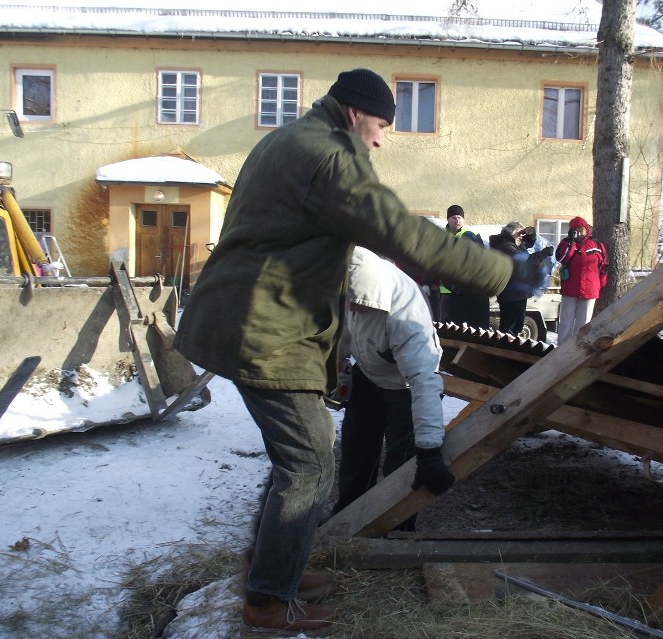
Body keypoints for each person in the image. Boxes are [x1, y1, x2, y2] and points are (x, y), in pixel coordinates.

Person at [173, 68, 543, 635]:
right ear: (353, 114)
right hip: (266, 328)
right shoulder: (328, 156)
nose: (380, 140)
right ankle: (269, 599)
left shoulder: (288, 139)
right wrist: (502, 272)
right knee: (311, 466)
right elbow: (400, 230)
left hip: (254, 317)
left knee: (297, 462)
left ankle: (269, 570)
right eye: (380, 126)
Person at [329, 247, 454, 533]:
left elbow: (425, 383)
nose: (353, 308)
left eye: (359, 304)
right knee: (356, 451)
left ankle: (398, 526)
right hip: (369, 374)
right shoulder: (354, 287)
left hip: (405, 386)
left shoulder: (406, 318)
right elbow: (345, 335)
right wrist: (338, 366)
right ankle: (348, 518)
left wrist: (429, 451)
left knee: (402, 463)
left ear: (375, 297)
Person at [489, 222, 555, 337]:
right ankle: (504, 352)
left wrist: (531, 233)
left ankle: (507, 350)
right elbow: (525, 260)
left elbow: (527, 244)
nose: (521, 237)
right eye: (519, 233)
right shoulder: (506, 246)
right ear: (511, 233)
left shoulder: (512, 243)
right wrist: (543, 253)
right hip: (511, 293)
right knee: (508, 330)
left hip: (517, 293)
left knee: (515, 329)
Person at [554, 216, 608, 344]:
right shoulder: (565, 243)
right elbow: (562, 259)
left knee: (583, 323)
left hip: (590, 290)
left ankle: (578, 347)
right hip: (570, 289)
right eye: (575, 229)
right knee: (566, 321)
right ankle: (561, 348)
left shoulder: (597, 245)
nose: (579, 232)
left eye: (581, 229)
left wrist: (599, 284)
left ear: (586, 229)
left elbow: (604, 266)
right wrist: (572, 242)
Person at [439, 204, 491, 328]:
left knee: (470, 324)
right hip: (447, 289)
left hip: (468, 287)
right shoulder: (441, 236)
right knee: (449, 324)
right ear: (448, 219)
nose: (457, 220)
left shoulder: (472, 235)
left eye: (460, 217)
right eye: (454, 218)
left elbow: (482, 258)